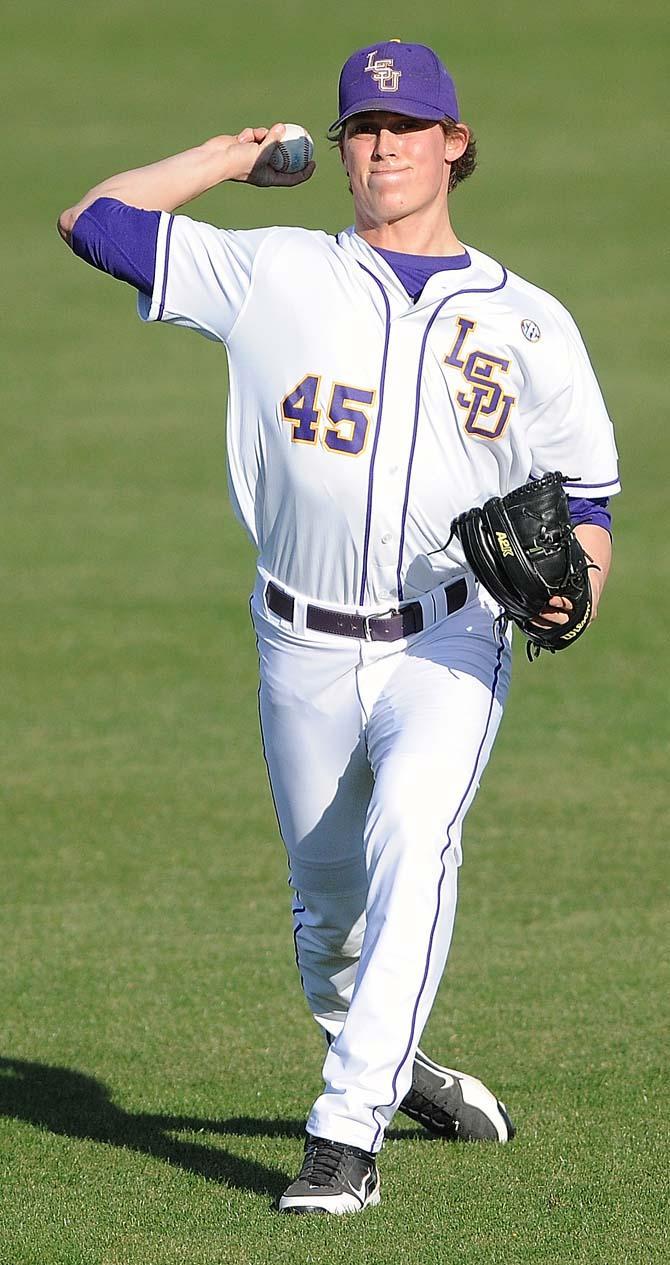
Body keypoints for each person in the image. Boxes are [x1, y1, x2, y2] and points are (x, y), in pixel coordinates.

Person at [58, 40, 619, 1215]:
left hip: (447, 643)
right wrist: (227, 156)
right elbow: (93, 220)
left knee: (416, 838)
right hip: (299, 645)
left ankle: (342, 1135)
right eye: (363, 127)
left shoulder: (529, 323)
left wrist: (582, 583)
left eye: (406, 128)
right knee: (330, 931)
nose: (380, 147)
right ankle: (395, 1054)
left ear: (454, 144)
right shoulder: (275, 271)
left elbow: (584, 504)